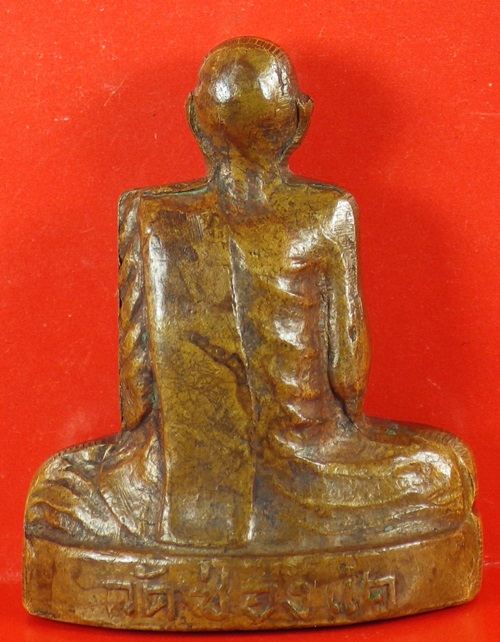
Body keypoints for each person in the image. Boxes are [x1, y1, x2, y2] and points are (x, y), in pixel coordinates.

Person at [25, 37, 476, 553]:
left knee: (55, 490)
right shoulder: (326, 213)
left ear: (194, 119)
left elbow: (137, 400)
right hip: (306, 473)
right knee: (446, 469)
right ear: (299, 121)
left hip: (172, 491)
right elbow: (348, 377)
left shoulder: (146, 215)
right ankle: (289, 531)